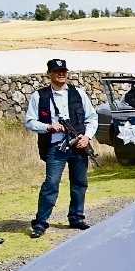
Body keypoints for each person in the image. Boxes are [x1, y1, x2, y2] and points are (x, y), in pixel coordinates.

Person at [24, 58, 98, 239]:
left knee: (80, 183)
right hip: (55, 147)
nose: (61, 73)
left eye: (64, 70)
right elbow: (30, 121)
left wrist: (87, 137)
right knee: (51, 184)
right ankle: (40, 223)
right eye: (57, 71)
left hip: (79, 146)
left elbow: (92, 117)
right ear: (49, 74)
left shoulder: (78, 93)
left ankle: (76, 217)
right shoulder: (39, 96)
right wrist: (48, 127)